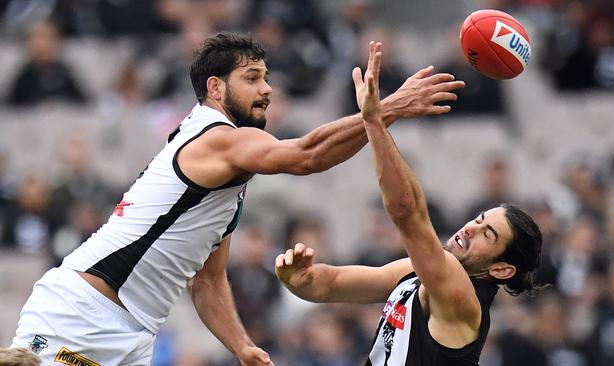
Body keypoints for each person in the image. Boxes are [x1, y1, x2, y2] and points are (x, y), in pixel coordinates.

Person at [10, 32, 464, 365]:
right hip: (79, 316)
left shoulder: (227, 177)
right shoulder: (217, 139)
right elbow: (306, 156)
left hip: (131, 335)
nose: (267, 89)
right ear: (215, 88)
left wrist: (242, 347)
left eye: (266, 78)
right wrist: (385, 110)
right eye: (252, 78)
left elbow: (207, 283)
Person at [275, 42, 544, 365]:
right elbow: (328, 284)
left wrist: (376, 119)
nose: (472, 228)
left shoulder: (461, 296)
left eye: (489, 234)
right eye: (480, 219)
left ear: (501, 268)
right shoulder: (419, 273)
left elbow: (408, 214)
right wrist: (301, 281)